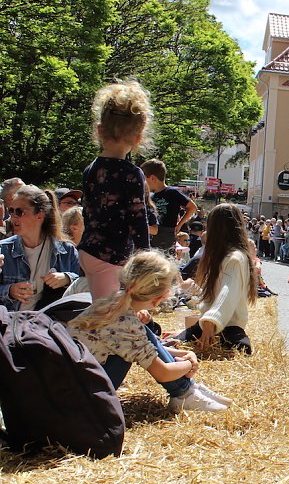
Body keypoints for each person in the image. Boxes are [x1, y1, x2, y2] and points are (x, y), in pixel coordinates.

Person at [67, 251, 230, 413]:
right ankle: (184, 393)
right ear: (158, 298)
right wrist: (190, 363)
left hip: (72, 387)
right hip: (84, 399)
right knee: (140, 332)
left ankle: (188, 390)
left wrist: (180, 353)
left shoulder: (113, 302)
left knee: (142, 331)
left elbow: (146, 346)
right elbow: (163, 373)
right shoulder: (126, 322)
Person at [78, 80, 151, 299]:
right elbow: (138, 219)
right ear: (138, 138)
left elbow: (88, 210)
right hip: (111, 256)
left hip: (88, 250)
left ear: (100, 130)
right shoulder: (132, 173)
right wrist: (145, 258)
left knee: (104, 308)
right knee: (105, 315)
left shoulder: (90, 169)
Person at [177, 203, 258, 354]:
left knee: (240, 349)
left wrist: (211, 320)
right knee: (170, 345)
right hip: (206, 324)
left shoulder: (235, 258)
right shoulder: (219, 256)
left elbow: (227, 292)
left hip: (229, 328)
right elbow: (211, 294)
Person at [0, 186, 80, 311]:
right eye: (11, 211)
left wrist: (67, 278)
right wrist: (9, 291)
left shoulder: (66, 250)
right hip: (10, 324)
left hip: (48, 325)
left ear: (39, 216)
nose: (13, 217)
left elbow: (85, 283)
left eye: (19, 212)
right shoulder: (3, 249)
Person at [140, 159, 197, 251]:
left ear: (152, 178)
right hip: (154, 233)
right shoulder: (151, 196)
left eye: (143, 179)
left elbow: (192, 207)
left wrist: (179, 225)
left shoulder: (172, 192)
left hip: (166, 234)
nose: (142, 182)